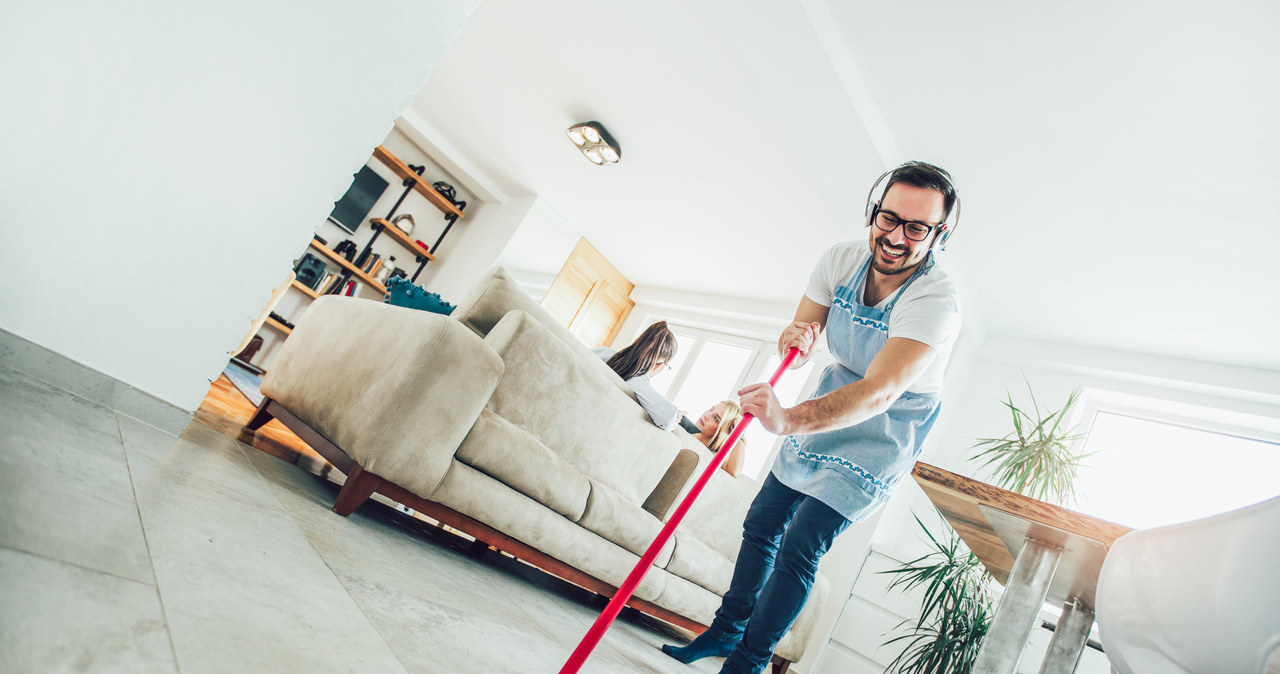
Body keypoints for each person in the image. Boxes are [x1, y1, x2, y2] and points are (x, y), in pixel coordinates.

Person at [662, 162, 963, 673]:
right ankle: (723, 632)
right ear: (874, 211)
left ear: (939, 234)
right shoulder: (840, 260)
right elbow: (799, 334)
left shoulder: (936, 300)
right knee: (761, 524)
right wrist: (795, 343)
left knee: (800, 545)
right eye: (887, 218)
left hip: (884, 428)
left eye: (916, 228)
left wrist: (786, 419)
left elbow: (880, 392)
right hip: (831, 401)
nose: (895, 237)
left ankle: (749, 662)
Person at [593, 321, 681, 431]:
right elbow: (668, 419)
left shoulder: (603, 352)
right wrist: (678, 416)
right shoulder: (637, 383)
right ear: (659, 366)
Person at [690, 400, 747, 477]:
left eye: (716, 418)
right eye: (711, 409)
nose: (707, 415)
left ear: (722, 431)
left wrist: (740, 434)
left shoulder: (711, 457)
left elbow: (734, 471)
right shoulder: (679, 423)